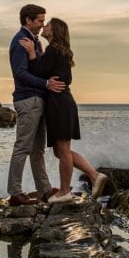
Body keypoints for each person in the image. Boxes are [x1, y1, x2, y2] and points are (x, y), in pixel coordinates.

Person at [19, 17, 107, 204]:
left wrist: (31, 54)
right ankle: (94, 175)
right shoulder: (60, 51)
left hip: (60, 104)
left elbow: (38, 72)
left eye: (48, 24)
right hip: (62, 102)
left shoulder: (54, 49)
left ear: (55, 31)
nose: (44, 26)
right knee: (61, 151)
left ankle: (65, 191)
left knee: (64, 151)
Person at [7, 4, 65, 206]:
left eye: (43, 21)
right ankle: (15, 192)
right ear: (27, 20)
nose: (42, 25)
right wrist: (46, 84)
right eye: (39, 21)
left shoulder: (34, 42)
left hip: (37, 100)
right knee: (23, 147)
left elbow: (38, 68)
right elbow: (20, 73)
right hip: (28, 99)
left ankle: (45, 191)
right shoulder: (21, 41)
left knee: (37, 150)